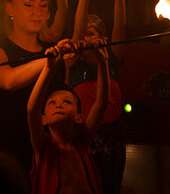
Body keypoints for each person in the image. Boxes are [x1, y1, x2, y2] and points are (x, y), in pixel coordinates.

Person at [0, 0, 67, 176]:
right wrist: (50, 60)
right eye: (29, 5)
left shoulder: (54, 53)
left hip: (49, 157)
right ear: (10, 9)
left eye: (43, 6)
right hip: (9, 158)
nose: (37, 13)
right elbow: (8, 80)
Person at [66, 0, 128, 194]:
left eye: (90, 33)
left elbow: (119, 26)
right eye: (84, 34)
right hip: (83, 138)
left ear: (102, 38)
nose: (85, 37)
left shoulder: (112, 59)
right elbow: (76, 33)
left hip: (114, 138)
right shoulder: (73, 64)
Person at [27, 38, 109, 194]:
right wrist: (49, 68)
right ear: (43, 119)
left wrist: (103, 62)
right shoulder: (42, 146)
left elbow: (101, 104)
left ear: (79, 117)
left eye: (67, 102)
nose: (59, 105)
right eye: (52, 103)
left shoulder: (83, 141)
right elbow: (32, 110)